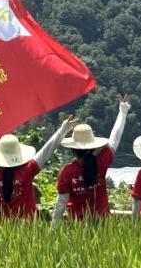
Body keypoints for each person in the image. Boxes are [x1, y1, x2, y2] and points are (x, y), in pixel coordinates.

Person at [51, 95, 131, 223]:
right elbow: (114, 138)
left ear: (72, 149)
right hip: (104, 225)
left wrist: (54, 226)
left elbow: (61, 202)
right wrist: (123, 110)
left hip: (78, 227)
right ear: (92, 146)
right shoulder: (101, 162)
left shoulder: (67, 172)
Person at [0, 115, 76, 220]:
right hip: (30, 227)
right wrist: (63, 129)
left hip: (5, 228)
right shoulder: (27, 170)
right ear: (18, 153)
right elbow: (47, 150)